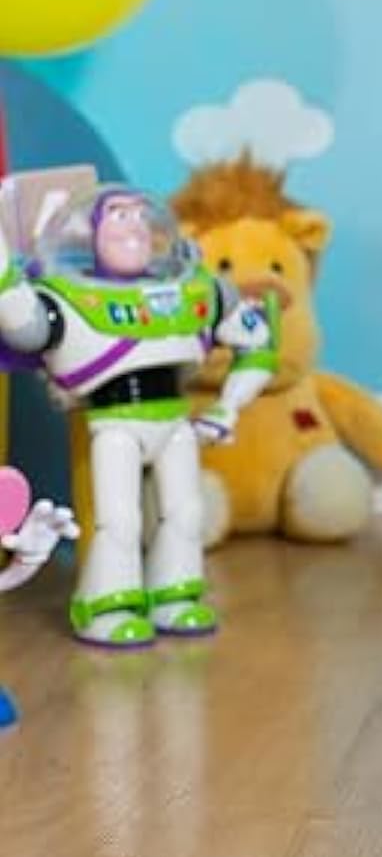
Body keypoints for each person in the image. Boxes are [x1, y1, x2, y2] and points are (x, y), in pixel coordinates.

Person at [0, 185, 276, 647]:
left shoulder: (192, 289)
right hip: (114, 423)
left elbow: (258, 344)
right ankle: (105, 605)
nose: (133, 225)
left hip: (175, 420)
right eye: (118, 215)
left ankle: (177, 595)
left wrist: (228, 406)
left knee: (186, 512)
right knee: (119, 519)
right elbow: (24, 326)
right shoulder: (70, 297)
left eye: (138, 215)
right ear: (91, 237)